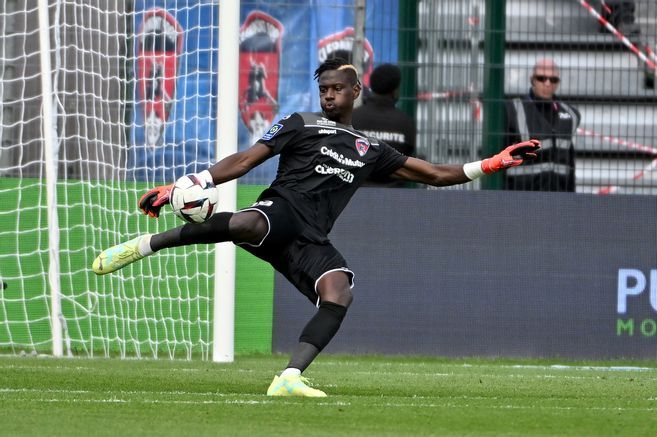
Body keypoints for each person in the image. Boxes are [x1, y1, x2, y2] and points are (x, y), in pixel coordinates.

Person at [92, 57, 539, 397]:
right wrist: (190, 184)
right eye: (323, 89)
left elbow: (437, 175)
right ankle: (145, 245)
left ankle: (289, 377)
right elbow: (247, 160)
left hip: (310, 237)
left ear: (355, 91)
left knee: (340, 289)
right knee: (247, 222)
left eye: (336, 89)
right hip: (279, 209)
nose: (328, 95)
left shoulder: (371, 149)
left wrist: (495, 162)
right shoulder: (299, 123)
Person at [503, 59, 580, 192]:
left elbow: (569, 163)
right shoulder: (511, 110)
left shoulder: (571, 115)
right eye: (541, 78)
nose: (547, 83)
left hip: (559, 198)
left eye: (553, 79)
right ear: (532, 80)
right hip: (521, 196)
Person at [352, 63, 416, 187]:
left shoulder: (352, 118)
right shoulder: (406, 123)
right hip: (394, 197)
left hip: (355, 195)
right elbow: (407, 159)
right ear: (395, 91)